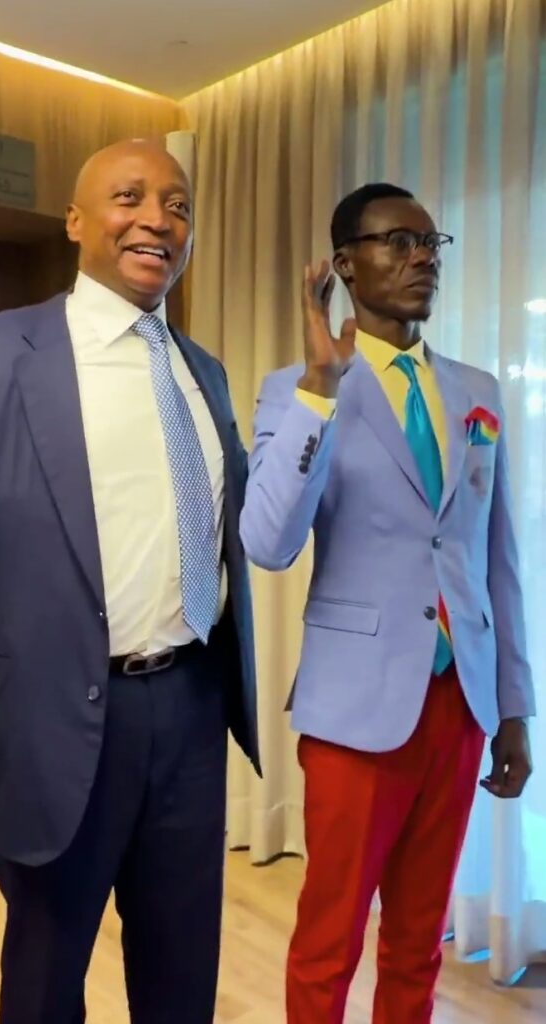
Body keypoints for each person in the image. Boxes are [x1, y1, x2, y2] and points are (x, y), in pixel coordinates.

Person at [0, 139, 260, 1024]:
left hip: (191, 707)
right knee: (45, 983)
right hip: (52, 719)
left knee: (181, 975)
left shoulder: (203, 371)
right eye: (129, 197)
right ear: (76, 220)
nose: (157, 218)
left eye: (178, 204)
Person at [239, 182, 534, 1024]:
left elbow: (496, 561)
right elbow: (267, 542)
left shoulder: (477, 390)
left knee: (420, 936)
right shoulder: (296, 390)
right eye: (398, 242)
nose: (421, 258)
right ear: (344, 264)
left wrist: (514, 709)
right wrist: (320, 391)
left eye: (430, 243)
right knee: (329, 938)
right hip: (356, 712)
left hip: (460, 702)